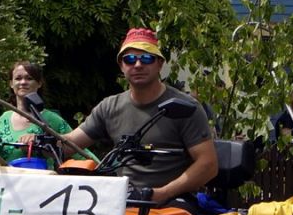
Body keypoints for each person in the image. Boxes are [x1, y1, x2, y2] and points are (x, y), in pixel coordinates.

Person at [58, 28, 218, 204]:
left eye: (147, 58)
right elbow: (69, 144)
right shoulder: (110, 106)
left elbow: (208, 165)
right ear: (121, 66)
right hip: (121, 200)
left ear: (159, 64)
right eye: (130, 59)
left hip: (173, 202)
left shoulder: (186, 107)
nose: (138, 65)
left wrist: (163, 193)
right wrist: (39, 141)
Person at [0, 61, 78, 165]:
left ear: (39, 83)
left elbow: (79, 150)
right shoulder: (4, 119)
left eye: (29, 78)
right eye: (18, 78)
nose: (23, 82)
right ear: (11, 84)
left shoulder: (51, 119)